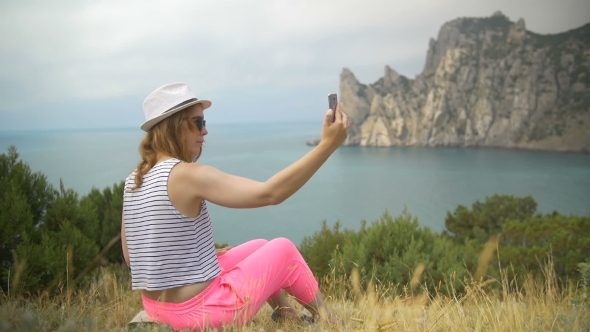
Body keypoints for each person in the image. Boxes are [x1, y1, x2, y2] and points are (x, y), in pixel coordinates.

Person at [121, 82, 349, 331]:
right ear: (176, 126)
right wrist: (327, 145)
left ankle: (286, 315)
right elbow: (270, 194)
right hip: (200, 313)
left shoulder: (135, 178)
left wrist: (194, 257)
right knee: (283, 249)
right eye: (199, 122)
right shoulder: (187, 174)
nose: (204, 131)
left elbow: (132, 257)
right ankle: (331, 323)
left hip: (158, 308)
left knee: (261, 246)